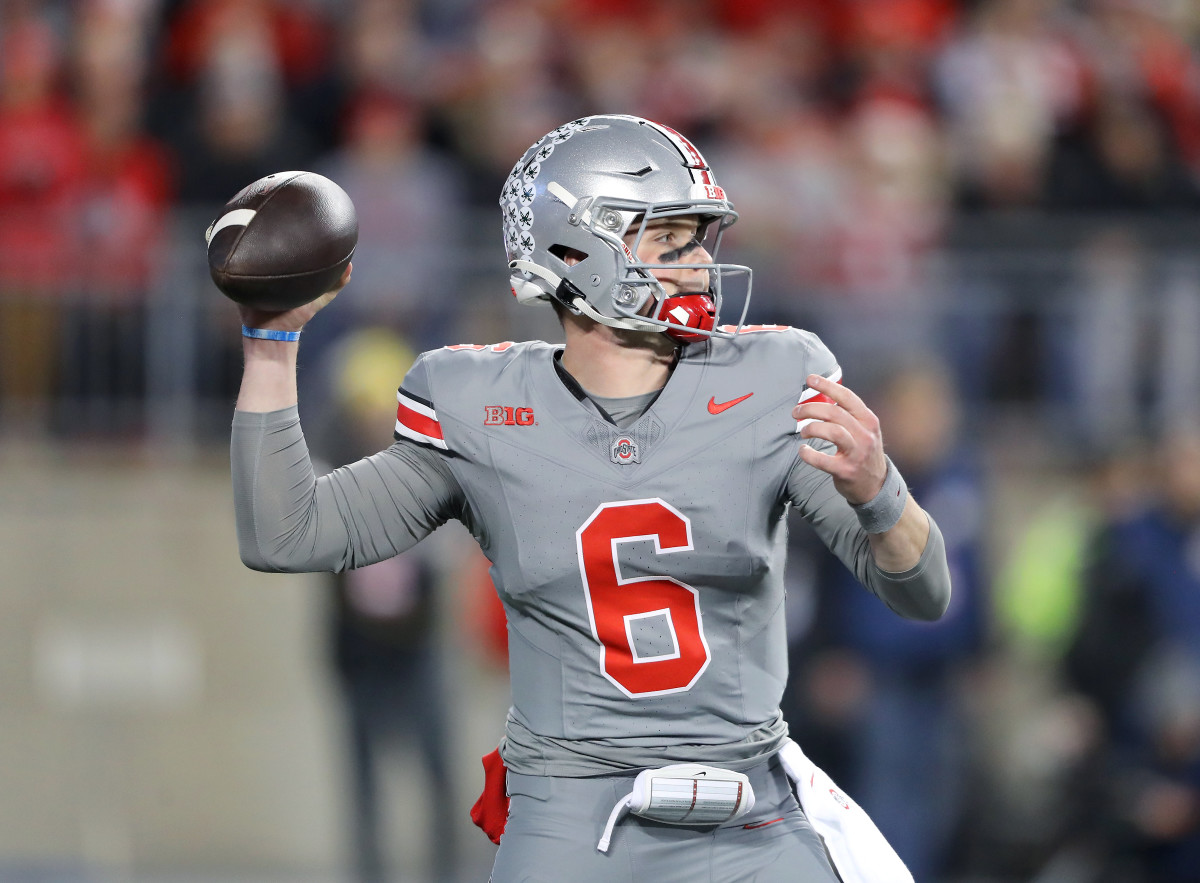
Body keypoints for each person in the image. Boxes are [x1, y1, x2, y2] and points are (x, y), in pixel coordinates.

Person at [229, 114, 952, 882]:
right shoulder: (478, 403)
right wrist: (270, 342)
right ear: (578, 250)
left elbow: (923, 590)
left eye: (703, 240)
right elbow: (287, 532)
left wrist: (880, 493)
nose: (700, 263)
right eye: (670, 240)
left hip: (751, 808)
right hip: (571, 813)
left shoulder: (772, 377)